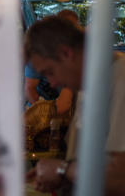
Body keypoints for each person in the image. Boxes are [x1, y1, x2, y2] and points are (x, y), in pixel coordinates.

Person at [25, 15, 125, 195]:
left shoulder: (120, 80)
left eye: (49, 72)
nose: (52, 83)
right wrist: (61, 176)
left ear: (66, 53)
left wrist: (62, 170)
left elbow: (120, 177)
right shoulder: (87, 85)